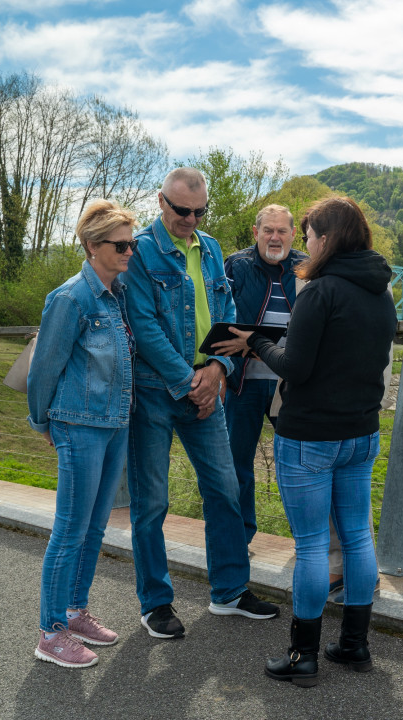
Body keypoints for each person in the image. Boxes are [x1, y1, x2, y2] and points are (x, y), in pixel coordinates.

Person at [213, 196, 397, 687]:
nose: (305, 241)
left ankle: (303, 656)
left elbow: (296, 366)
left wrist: (255, 342)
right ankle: (355, 645)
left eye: (309, 232)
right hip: (361, 433)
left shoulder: (321, 291)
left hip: (311, 437)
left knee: (313, 544)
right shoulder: (381, 292)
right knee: (358, 536)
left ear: (326, 238)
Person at [123, 167, 279, 641]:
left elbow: (227, 313)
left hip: (207, 385)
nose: (191, 218)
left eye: (199, 211)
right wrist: (189, 380)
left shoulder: (210, 249)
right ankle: (156, 603)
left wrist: (217, 371)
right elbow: (143, 326)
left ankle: (229, 592)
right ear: (161, 201)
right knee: (151, 503)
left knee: (226, 489)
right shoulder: (140, 251)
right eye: (181, 210)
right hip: (155, 389)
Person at [26, 199, 137, 668]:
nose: (130, 251)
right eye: (121, 244)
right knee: (69, 530)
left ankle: (74, 612)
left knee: (94, 527)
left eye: (132, 243)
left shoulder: (118, 294)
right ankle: (50, 633)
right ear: (93, 247)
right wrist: (43, 422)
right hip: (80, 426)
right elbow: (43, 369)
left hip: (114, 425)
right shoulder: (71, 298)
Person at [223, 204, 307, 545]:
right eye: (268, 230)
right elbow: (219, 312)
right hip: (242, 382)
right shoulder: (236, 265)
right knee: (237, 465)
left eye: (282, 231)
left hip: (289, 386)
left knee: (298, 467)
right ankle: (240, 538)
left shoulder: (306, 269)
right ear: (255, 233)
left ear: (292, 235)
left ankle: (307, 541)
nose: (275, 237)